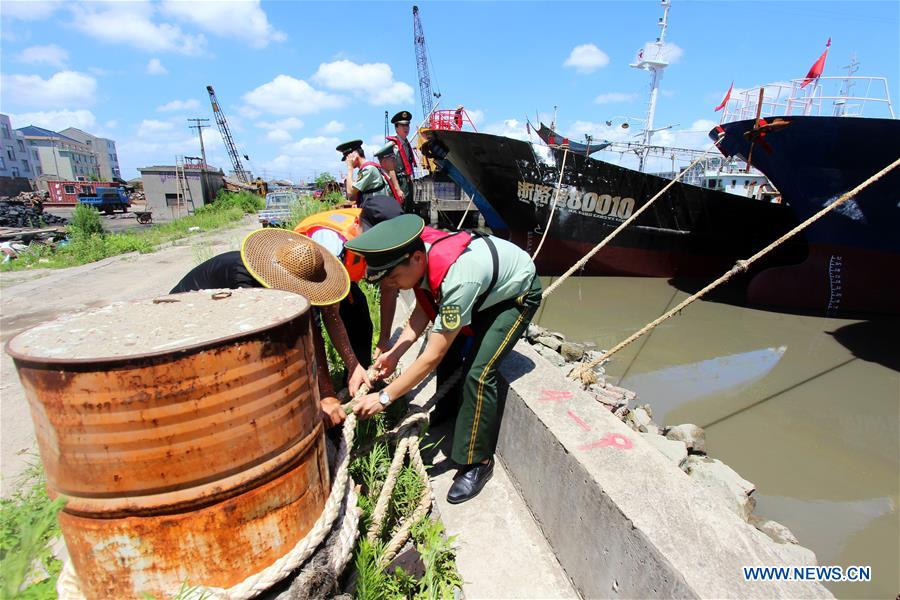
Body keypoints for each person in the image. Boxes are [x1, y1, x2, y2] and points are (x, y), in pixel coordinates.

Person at [345, 215, 542, 504]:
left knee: (478, 372)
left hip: (514, 295)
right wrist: (394, 354)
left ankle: (478, 462)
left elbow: (432, 355)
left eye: (393, 278)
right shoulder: (419, 259)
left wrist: (384, 398)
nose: (392, 285)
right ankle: (448, 410)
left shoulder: (458, 277)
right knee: (451, 348)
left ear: (415, 259)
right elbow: (423, 311)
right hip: (483, 291)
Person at [169, 229, 370, 429]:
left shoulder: (302, 273)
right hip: (186, 322)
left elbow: (321, 323)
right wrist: (318, 397)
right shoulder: (247, 285)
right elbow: (261, 351)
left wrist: (348, 370)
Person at [293, 195, 404, 370]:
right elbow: (330, 312)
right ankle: (323, 383)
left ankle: (360, 376)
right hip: (305, 277)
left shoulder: (385, 236)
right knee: (312, 333)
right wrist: (352, 365)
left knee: (361, 322)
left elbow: (389, 287)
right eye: (372, 240)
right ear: (357, 223)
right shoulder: (331, 242)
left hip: (343, 276)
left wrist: (384, 339)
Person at [336, 139, 402, 206]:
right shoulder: (366, 168)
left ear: (355, 155)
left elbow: (350, 193)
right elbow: (353, 197)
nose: (347, 161)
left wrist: (350, 168)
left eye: (347, 158)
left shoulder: (368, 169)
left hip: (377, 209)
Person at [385, 111, 416, 210]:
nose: (406, 128)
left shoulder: (406, 144)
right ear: (396, 128)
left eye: (407, 125)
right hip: (398, 182)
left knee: (408, 209)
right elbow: (390, 169)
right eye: (402, 125)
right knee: (399, 210)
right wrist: (397, 189)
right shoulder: (392, 145)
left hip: (407, 181)